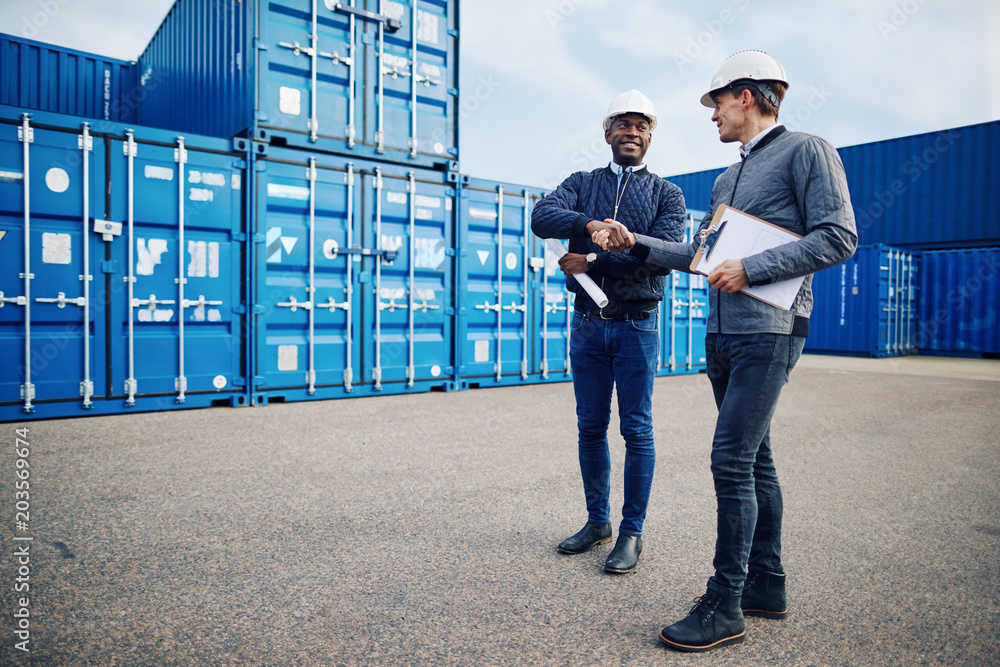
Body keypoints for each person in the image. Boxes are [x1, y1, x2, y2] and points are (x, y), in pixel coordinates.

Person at [594, 51, 857, 649]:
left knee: (731, 460)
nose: (711, 115)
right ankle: (767, 584)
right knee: (756, 461)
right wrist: (636, 244)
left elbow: (839, 236)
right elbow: (702, 257)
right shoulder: (724, 179)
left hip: (770, 331)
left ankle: (726, 601)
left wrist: (754, 267)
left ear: (746, 95)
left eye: (715, 103)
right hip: (723, 334)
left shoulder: (807, 150)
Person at [530, 90, 687, 574]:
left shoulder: (668, 194)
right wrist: (590, 223)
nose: (632, 132)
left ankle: (631, 533)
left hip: (638, 325)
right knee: (589, 427)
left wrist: (593, 256)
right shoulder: (582, 182)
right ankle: (597, 522)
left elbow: (662, 256)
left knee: (636, 430)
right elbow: (541, 217)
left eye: (642, 126)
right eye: (624, 124)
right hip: (587, 325)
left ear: (651, 135)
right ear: (608, 133)